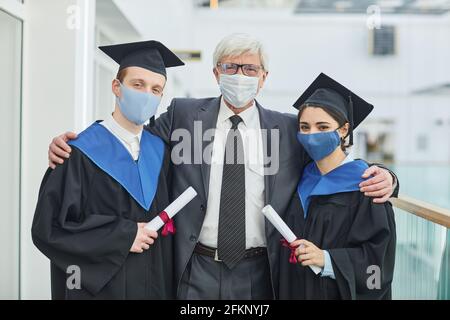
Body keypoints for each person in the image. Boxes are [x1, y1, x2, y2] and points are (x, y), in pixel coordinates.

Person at [46, 34, 398, 299]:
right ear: (216, 73)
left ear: (264, 77)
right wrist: (74, 143)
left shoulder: (290, 129)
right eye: (230, 67)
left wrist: (388, 177)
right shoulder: (184, 116)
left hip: (262, 270)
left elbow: (331, 161)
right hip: (194, 266)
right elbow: (129, 136)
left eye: (250, 68)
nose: (240, 75)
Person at [32, 40, 184, 299]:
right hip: (99, 291)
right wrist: (123, 236)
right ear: (117, 87)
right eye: (138, 84)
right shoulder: (77, 153)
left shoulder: (163, 153)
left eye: (156, 89)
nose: (147, 94)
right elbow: (49, 229)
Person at [278, 73, 396, 299]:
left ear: (343, 130)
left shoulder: (367, 187)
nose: (312, 135)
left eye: (322, 127)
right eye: (304, 127)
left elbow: (377, 266)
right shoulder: (297, 179)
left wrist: (328, 260)